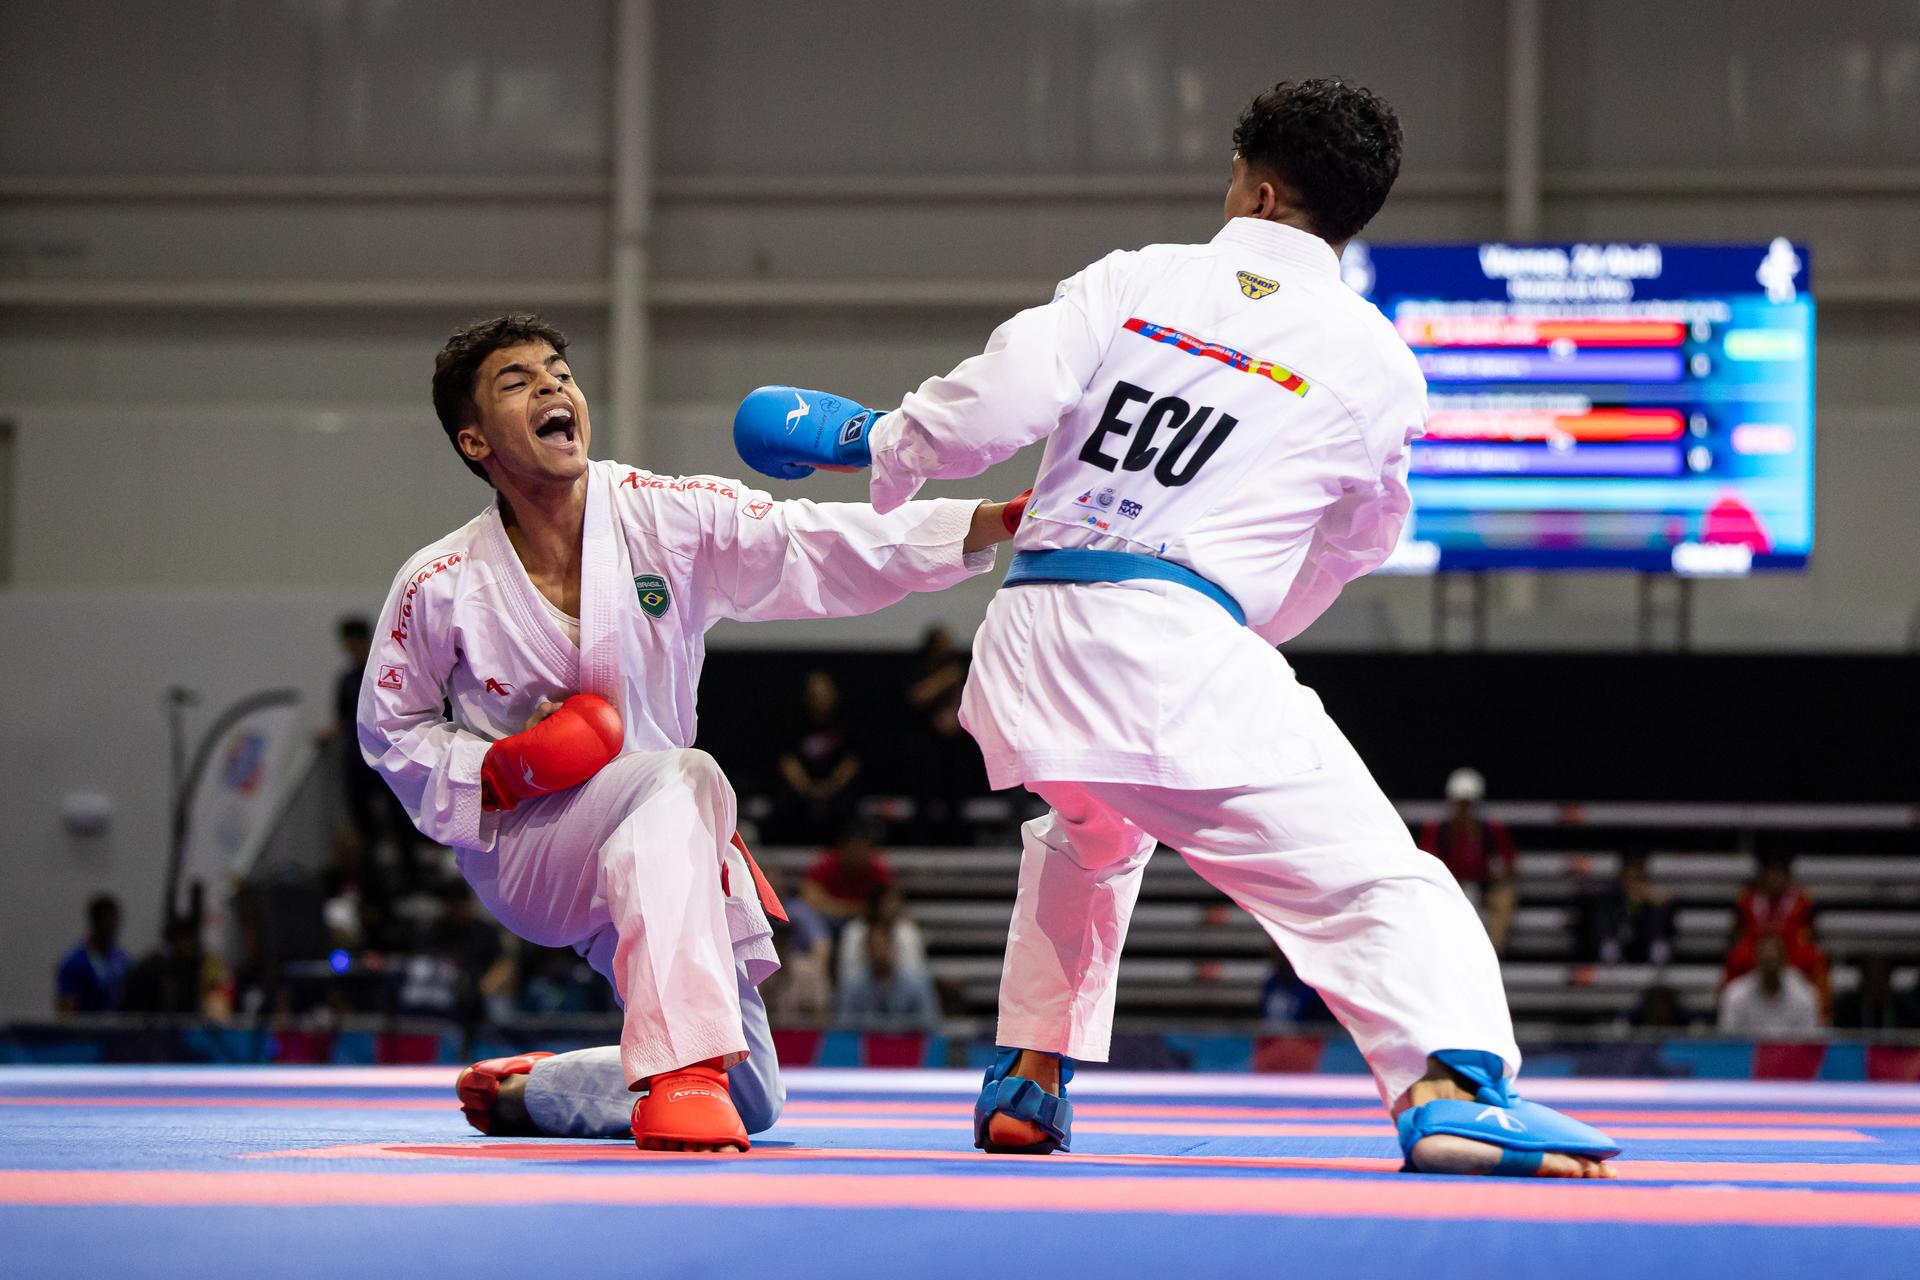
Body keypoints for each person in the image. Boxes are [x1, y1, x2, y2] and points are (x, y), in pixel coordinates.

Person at [732, 79, 1615, 1176]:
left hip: (1032, 626)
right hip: (1173, 639)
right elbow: (1352, 543)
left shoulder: (1138, 278)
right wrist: (1250, 628)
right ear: (1348, 212)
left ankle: (1029, 1075)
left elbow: (1007, 394)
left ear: (1256, 184)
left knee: (1091, 831)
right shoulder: (1378, 362)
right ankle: (1453, 1083)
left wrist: (887, 438)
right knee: (1375, 875)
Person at [360, 313, 1022, 1151]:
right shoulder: (440, 581)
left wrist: (992, 519)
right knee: (687, 775)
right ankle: (678, 1075)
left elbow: (811, 542)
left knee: (752, 1095)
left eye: (559, 371)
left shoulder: (661, 516)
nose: (553, 386)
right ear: (475, 441)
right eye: (517, 382)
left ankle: (539, 1092)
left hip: (659, 853)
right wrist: (499, 770)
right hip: (532, 850)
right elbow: (390, 726)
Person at [1416, 768, 1518, 953]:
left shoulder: (1492, 830)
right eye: (1460, 804)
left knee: (1505, 899)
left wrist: (1499, 875)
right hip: (1448, 888)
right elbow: (1426, 865)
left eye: (1468, 804)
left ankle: (1491, 952)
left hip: (1484, 887)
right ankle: (1439, 950)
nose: (1464, 810)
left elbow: (1511, 864)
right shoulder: (1436, 830)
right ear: (1451, 803)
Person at [773, 671, 862, 843]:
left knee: (846, 805)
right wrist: (808, 788)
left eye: (824, 694)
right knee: (787, 803)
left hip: (835, 788)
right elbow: (787, 761)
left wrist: (830, 787)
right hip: (803, 788)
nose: (820, 700)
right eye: (815, 695)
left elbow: (852, 762)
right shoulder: (795, 724)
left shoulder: (845, 724)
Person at [1577, 846, 1675, 966]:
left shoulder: (1652, 898)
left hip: (1641, 944)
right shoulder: (1609, 895)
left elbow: (1637, 916)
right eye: (1631, 870)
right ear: (1622, 871)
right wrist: (1628, 896)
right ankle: (1610, 958)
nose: (1634, 875)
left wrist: (1642, 898)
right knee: (1604, 927)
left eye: (1638, 871)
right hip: (1616, 941)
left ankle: (1657, 961)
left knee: (1658, 912)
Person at [836, 925, 941, 1029]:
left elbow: (930, 1023)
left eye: (883, 946)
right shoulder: (852, 986)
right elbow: (843, 1026)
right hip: (864, 1043)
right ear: (866, 951)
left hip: (907, 1044)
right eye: (873, 947)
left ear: (893, 947)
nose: (879, 953)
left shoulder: (917, 984)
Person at [801, 821, 898, 934]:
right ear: (844, 848)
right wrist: (853, 909)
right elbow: (809, 898)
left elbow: (890, 902)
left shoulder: (878, 868)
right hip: (831, 921)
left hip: (866, 924)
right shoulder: (827, 863)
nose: (859, 854)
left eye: (863, 849)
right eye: (855, 848)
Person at [1718, 935, 1822, 1037]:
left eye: (1774, 960)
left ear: (1784, 961)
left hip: (1793, 1053)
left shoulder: (1805, 994)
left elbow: (1810, 1044)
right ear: (1756, 960)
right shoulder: (1736, 995)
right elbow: (1728, 1042)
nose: (1770, 968)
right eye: (1766, 961)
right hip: (1748, 1053)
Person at [55, 893, 129, 1014]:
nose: (115, 927)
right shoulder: (75, 963)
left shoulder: (122, 960)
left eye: (116, 921)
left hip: (117, 1029)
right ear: (96, 921)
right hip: (86, 1030)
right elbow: (66, 1010)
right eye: (109, 921)